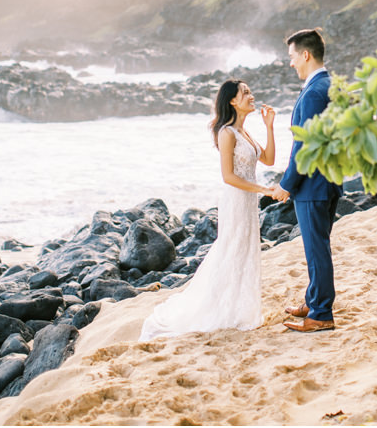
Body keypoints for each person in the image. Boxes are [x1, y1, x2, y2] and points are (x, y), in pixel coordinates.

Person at [140, 79, 279, 340]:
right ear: (232, 101)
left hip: (247, 200)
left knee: (245, 250)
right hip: (237, 200)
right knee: (231, 249)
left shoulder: (245, 132)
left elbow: (269, 159)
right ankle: (220, 309)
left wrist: (270, 127)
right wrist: (265, 190)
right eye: (245, 92)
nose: (251, 95)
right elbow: (228, 176)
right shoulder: (227, 133)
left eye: (250, 91)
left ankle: (238, 308)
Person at [272, 27, 343, 333]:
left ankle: (321, 314)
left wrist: (287, 184)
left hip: (314, 184)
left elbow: (304, 144)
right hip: (329, 179)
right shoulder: (330, 85)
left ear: (306, 54)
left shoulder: (315, 91)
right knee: (319, 246)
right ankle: (315, 300)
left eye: (292, 57)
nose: (291, 64)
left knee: (316, 249)